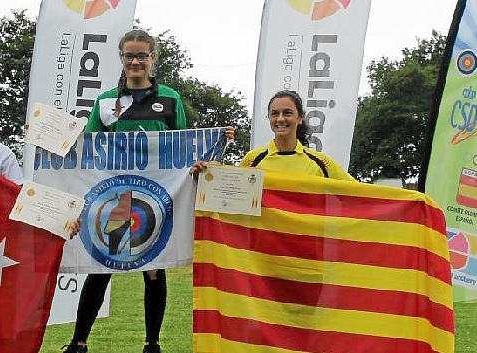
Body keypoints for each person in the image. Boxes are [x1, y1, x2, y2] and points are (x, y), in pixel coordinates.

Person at [62, 28, 186, 353]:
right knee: (101, 268)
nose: (135, 61)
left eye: (141, 55)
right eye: (129, 55)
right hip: (114, 196)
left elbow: (184, 147)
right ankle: (79, 342)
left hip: (155, 198)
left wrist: (215, 142)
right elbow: (86, 149)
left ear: (152, 58)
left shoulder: (171, 99)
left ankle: (152, 343)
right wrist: (49, 138)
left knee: (153, 271)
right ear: (122, 58)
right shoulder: (105, 102)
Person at [192, 90, 355, 181]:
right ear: (269, 118)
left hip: (306, 242)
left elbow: (360, 193)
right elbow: (228, 195)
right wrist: (202, 177)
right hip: (261, 243)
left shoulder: (320, 162)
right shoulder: (253, 159)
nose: (281, 119)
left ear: (300, 118)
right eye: (275, 113)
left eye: (288, 113)